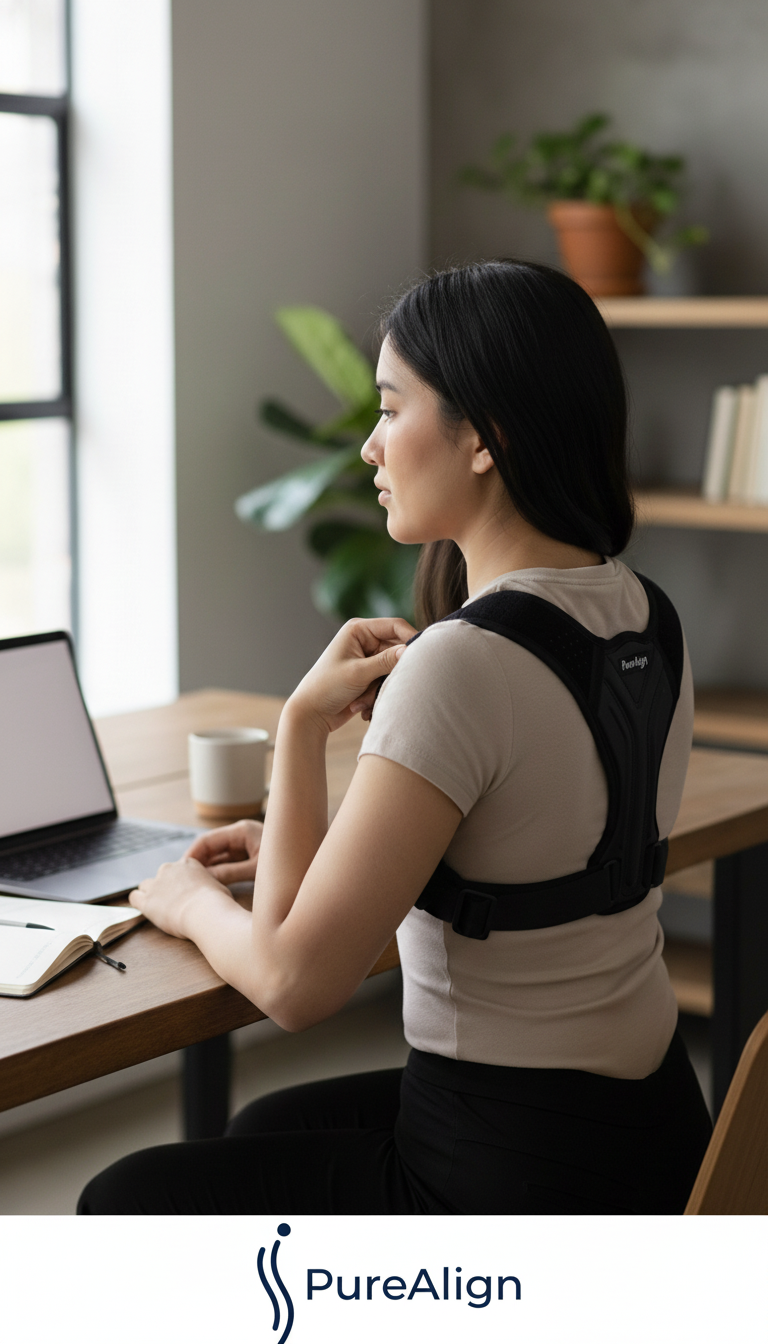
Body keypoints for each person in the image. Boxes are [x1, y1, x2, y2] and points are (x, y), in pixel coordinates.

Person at [78, 260, 712, 1215]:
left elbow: (292, 983)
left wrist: (189, 898)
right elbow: (530, 848)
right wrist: (312, 807)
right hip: (648, 1123)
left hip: (510, 1175)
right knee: (263, 1131)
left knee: (123, 1201)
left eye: (389, 409)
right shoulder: (643, 615)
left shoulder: (462, 662)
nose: (371, 448)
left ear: (485, 438)